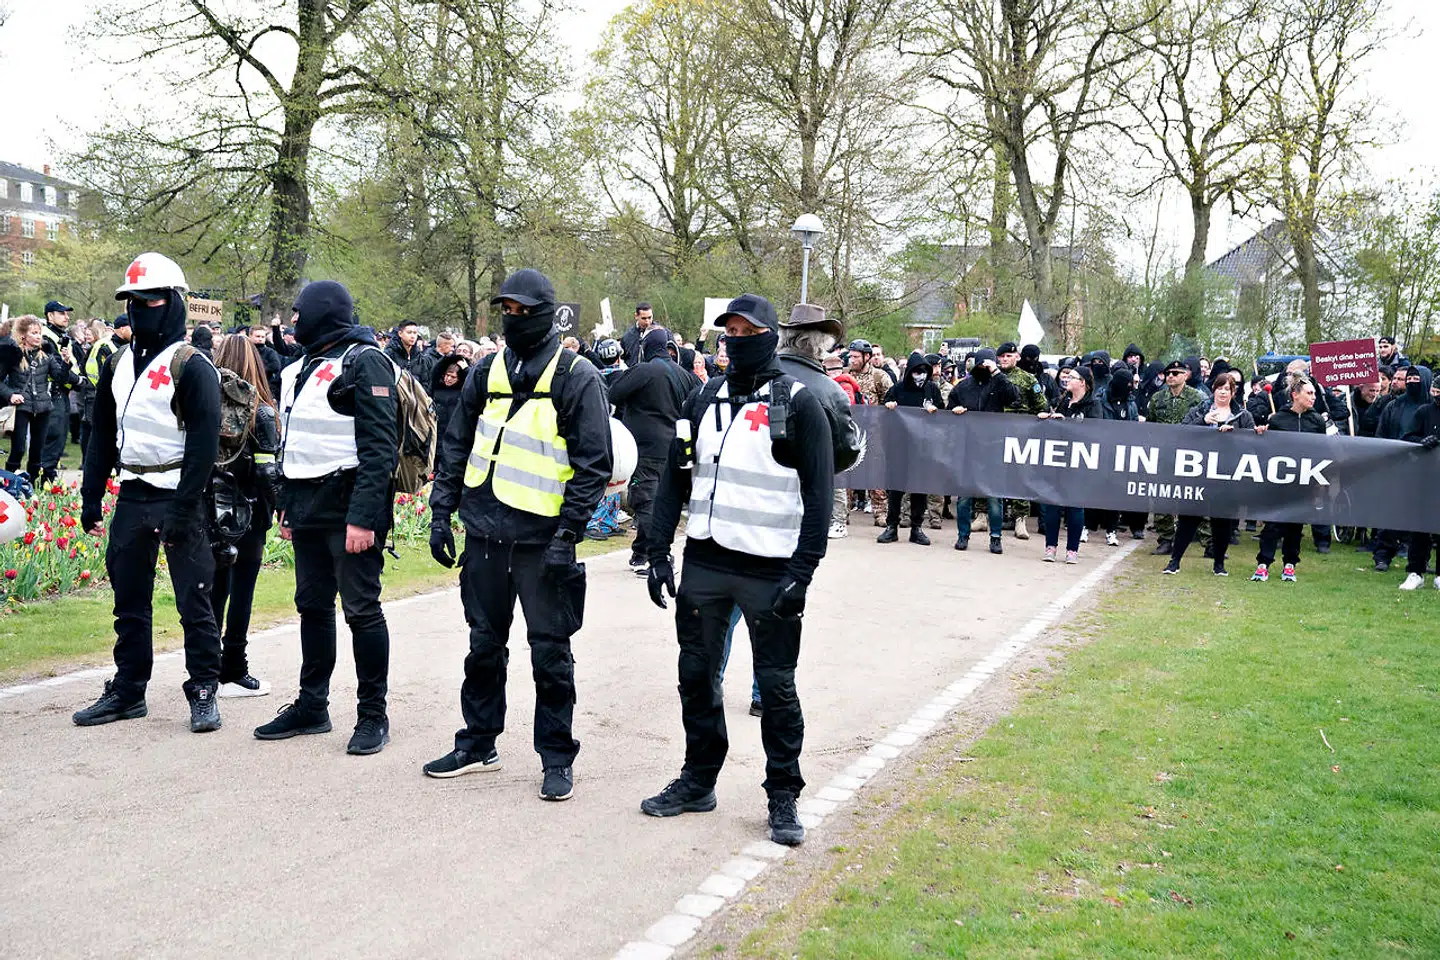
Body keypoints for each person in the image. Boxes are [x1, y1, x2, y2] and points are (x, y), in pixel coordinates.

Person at [638, 293, 833, 847]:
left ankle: (782, 794)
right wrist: (656, 550)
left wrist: (804, 571)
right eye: (731, 332)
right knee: (695, 678)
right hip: (705, 559)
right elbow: (676, 478)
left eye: (749, 332)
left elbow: (820, 498)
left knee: (776, 687)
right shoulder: (704, 396)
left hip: (771, 567)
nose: (737, 340)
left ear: (771, 337)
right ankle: (699, 779)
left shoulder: (798, 402)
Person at [423, 269, 611, 801]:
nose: (514, 318)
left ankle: (556, 757)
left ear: (548, 313)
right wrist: (442, 513)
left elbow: (593, 463)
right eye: (507, 308)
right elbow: (456, 443)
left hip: (543, 538)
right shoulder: (487, 370)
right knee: (483, 645)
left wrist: (568, 534)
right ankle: (478, 742)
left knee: (550, 652)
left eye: (524, 310)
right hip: (485, 531)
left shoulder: (577, 375)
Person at [73, 253, 225, 733]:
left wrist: (184, 506)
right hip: (134, 492)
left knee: (194, 600)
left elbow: (204, 441)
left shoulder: (192, 364)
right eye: (132, 301)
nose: (140, 309)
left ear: (175, 303)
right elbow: (99, 434)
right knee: (129, 599)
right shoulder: (117, 362)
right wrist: (91, 495)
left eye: (150, 300)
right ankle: (128, 690)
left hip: (179, 492)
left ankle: (203, 689)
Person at [256, 280, 399, 755]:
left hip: (349, 508)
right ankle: (312, 706)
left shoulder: (366, 360)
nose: (293, 322)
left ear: (324, 313)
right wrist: (288, 509)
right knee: (312, 607)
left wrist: (362, 519)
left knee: (361, 611)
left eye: (300, 313)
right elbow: (295, 441)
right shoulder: (297, 367)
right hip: (307, 508)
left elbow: (380, 450)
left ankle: (372, 715)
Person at [210, 335, 281, 697]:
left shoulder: (204, 402)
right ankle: (234, 666)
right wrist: (281, 508)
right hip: (248, 508)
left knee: (214, 590)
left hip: (210, 506)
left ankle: (206, 667)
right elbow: (268, 472)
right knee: (242, 591)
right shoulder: (261, 410)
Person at [606, 325, 692, 573]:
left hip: (644, 449)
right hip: (673, 448)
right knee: (656, 503)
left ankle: (657, 556)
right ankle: (641, 551)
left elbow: (614, 393)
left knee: (645, 502)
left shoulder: (643, 371)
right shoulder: (684, 375)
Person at [1163, 372, 1257, 576]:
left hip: (1227, 475)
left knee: (1222, 521)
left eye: (1227, 389)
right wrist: (1204, 421)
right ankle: (1175, 561)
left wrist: (1236, 435)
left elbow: (1251, 443)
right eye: (1220, 388)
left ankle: (1219, 564)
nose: (1223, 392)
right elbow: (1183, 432)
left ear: (1233, 392)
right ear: (1213, 389)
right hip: (1200, 473)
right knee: (1189, 518)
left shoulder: (1243, 415)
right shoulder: (1201, 409)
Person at [776, 304, 855, 541]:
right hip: (802, 498)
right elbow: (845, 453)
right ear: (821, 345)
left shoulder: (757, 375)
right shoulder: (831, 391)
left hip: (749, 498)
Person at [1251, 376, 1328, 584]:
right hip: (1279, 481)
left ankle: (1290, 563)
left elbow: (1322, 451)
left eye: (1314, 393)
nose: (1313, 397)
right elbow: (1268, 448)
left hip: (1304, 482)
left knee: (1295, 525)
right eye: (1309, 393)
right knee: (1273, 524)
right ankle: (1263, 564)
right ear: (1295, 395)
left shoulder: (1317, 421)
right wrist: (1262, 431)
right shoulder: (1277, 419)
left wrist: (1319, 481)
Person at [946, 348, 1018, 553]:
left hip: (993, 448)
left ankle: (995, 537)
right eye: (980, 365)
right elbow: (949, 409)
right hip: (968, 447)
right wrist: (954, 411)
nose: (983, 368)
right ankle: (963, 535)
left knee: (994, 497)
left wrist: (996, 372)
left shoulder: (999, 382)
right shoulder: (963, 387)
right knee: (964, 497)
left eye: (986, 365)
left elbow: (1013, 396)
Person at [877, 351, 942, 546]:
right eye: (916, 371)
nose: (920, 375)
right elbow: (882, 413)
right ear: (910, 372)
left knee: (919, 489)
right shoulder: (898, 389)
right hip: (899, 446)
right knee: (896, 488)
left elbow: (943, 413)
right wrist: (888, 406)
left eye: (923, 371)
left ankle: (916, 528)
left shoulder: (932, 389)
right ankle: (892, 527)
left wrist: (935, 411)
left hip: (922, 447)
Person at [1036, 365, 1099, 563]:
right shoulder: (1060, 401)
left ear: (1083, 383)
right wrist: (1044, 418)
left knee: (1075, 507)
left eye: (1072, 377)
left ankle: (1072, 549)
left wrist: (1067, 422)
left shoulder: (1093, 405)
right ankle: (1050, 547)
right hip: (1056, 459)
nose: (1067, 379)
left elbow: (1095, 431)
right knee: (1052, 505)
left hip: (1079, 461)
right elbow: (1047, 422)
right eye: (1067, 376)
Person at [5, 317, 79, 479]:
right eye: (34, 333)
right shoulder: (12, 353)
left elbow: (60, 377)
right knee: (18, 449)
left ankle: (32, 485)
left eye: (39, 333)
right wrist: (11, 394)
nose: (38, 337)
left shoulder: (46, 355)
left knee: (37, 451)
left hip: (43, 407)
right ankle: (8, 483)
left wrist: (66, 363)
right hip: (21, 407)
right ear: (23, 335)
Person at [1147, 360, 1206, 553]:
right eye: (1168, 373)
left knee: (1195, 496)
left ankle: (1208, 541)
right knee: (1162, 495)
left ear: (1185, 376)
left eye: (1175, 373)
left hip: (1190, 454)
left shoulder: (1197, 398)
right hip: (1164, 453)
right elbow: (1151, 425)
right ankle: (1165, 538)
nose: (1170, 376)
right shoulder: (1157, 398)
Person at [997, 342, 1046, 539]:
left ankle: (1020, 519)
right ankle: (984, 514)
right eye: (1002, 356)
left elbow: (1041, 405)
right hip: (995, 434)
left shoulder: (1027, 379)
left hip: (1021, 435)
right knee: (992, 473)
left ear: (1016, 357)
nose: (1005, 359)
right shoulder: (992, 378)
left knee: (1021, 476)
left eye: (1009, 356)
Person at [38, 301, 81, 483]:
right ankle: (44, 481)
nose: (67, 316)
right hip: (52, 393)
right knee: (53, 438)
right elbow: (57, 369)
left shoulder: (59, 336)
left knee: (58, 440)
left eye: (67, 313)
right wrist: (79, 380)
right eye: (62, 313)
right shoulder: (46, 337)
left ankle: (48, 479)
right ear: (50, 315)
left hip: (61, 394)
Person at [428, 352, 471, 449]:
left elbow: (473, 384)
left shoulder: (463, 391)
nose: (448, 379)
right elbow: (434, 373)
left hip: (454, 435)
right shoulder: (437, 388)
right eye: (447, 375)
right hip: (437, 433)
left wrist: (466, 369)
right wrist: (447, 358)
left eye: (453, 377)